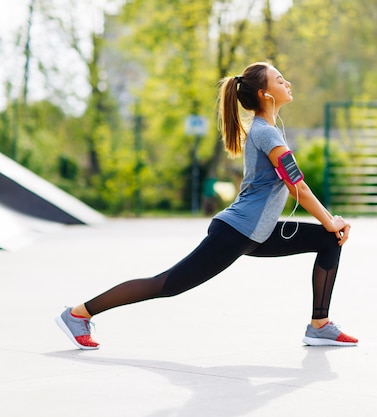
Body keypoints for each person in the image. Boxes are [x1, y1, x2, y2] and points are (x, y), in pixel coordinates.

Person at [55, 62, 358, 350]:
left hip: (256, 233)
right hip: (237, 232)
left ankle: (319, 325)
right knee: (165, 285)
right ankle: (79, 314)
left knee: (329, 240)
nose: (287, 82)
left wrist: (329, 225)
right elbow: (298, 186)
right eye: (279, 80)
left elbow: (293, 186)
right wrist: (330, 220)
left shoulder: (267, 130)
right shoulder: (266, 133)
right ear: (265, 94)